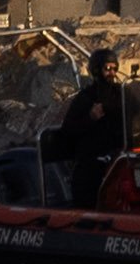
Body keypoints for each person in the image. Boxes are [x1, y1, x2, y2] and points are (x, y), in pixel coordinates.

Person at [50, 46, 128, 207]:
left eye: (115, 68)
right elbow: (68, 130)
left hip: (120, 156)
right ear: (97, 70)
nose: (112, 73)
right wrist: (90, 118)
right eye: (107, 68)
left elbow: (139, 114)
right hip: (92, 160)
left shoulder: (122, 93)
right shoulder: (85, 98)